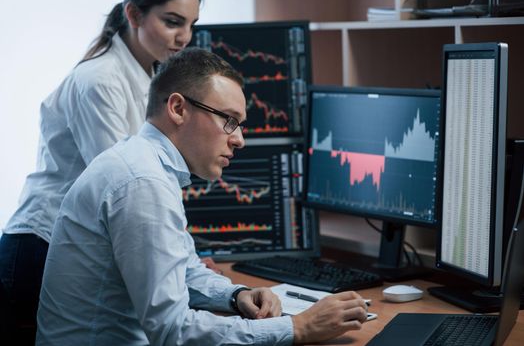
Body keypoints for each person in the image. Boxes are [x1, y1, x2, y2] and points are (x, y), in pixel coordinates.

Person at [35, 48, 368, 345]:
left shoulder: (145, 164)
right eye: (229, 120)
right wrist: (298, 328)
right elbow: (174, 332)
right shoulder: (142, 182)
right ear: (178, 108)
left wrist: (236, 295)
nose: (239, 140)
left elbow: (182, 269)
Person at [0, 0, 201, 343]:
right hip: (38, 248)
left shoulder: (148, 77)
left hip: (63, 243)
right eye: (172, 22)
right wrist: (182, 262)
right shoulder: (100, 80)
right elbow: (128, 188)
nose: (185, 37)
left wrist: (186, 262)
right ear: (133, 14)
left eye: (191, 25)